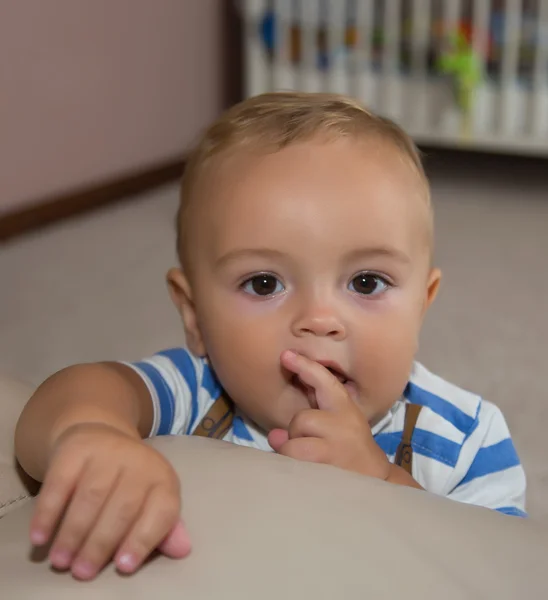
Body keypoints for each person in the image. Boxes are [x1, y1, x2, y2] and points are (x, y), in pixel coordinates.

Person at [14, 92, 526, 582]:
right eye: (264, 284)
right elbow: (72, 393)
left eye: (366, 282)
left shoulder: (466, 440)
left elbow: (500, 568)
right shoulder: (201, 393)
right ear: (194, 315)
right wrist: (90, 431)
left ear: (422, 304)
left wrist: (387, 484)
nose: (320, 320)